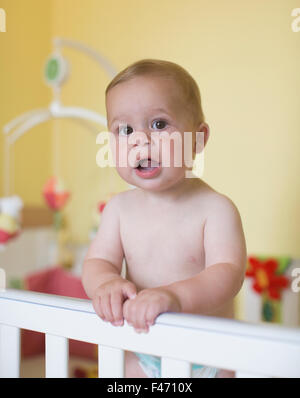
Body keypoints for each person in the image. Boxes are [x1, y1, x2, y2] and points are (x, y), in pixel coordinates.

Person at [82, 59, 247, 378]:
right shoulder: (117, 210)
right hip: (145, 351)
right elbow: (97, 261)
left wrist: (173, 297)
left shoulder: (215, 209)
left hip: (212, 354)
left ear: (198, 139)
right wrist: (107, 283)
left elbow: (227, 274)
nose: (139, 140)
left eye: (158, 124)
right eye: (124, 129)